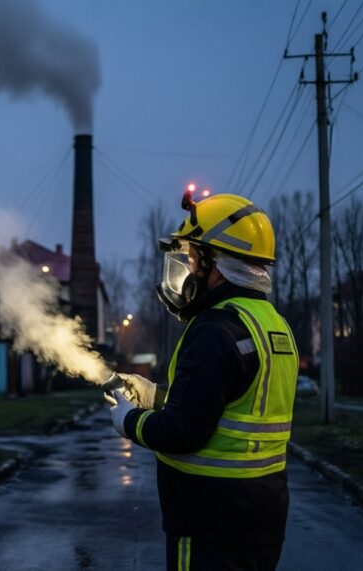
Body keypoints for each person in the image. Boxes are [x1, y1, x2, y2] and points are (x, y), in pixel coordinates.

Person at [107, 191, 298, 570]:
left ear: (217, 266)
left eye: (193, 259)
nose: (187, 271)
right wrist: (156, 396)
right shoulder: (273, 324)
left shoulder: (213, 328)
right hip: (261, 518)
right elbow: (225, 404)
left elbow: (184, 431)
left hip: (209, 521)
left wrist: (128, 420)